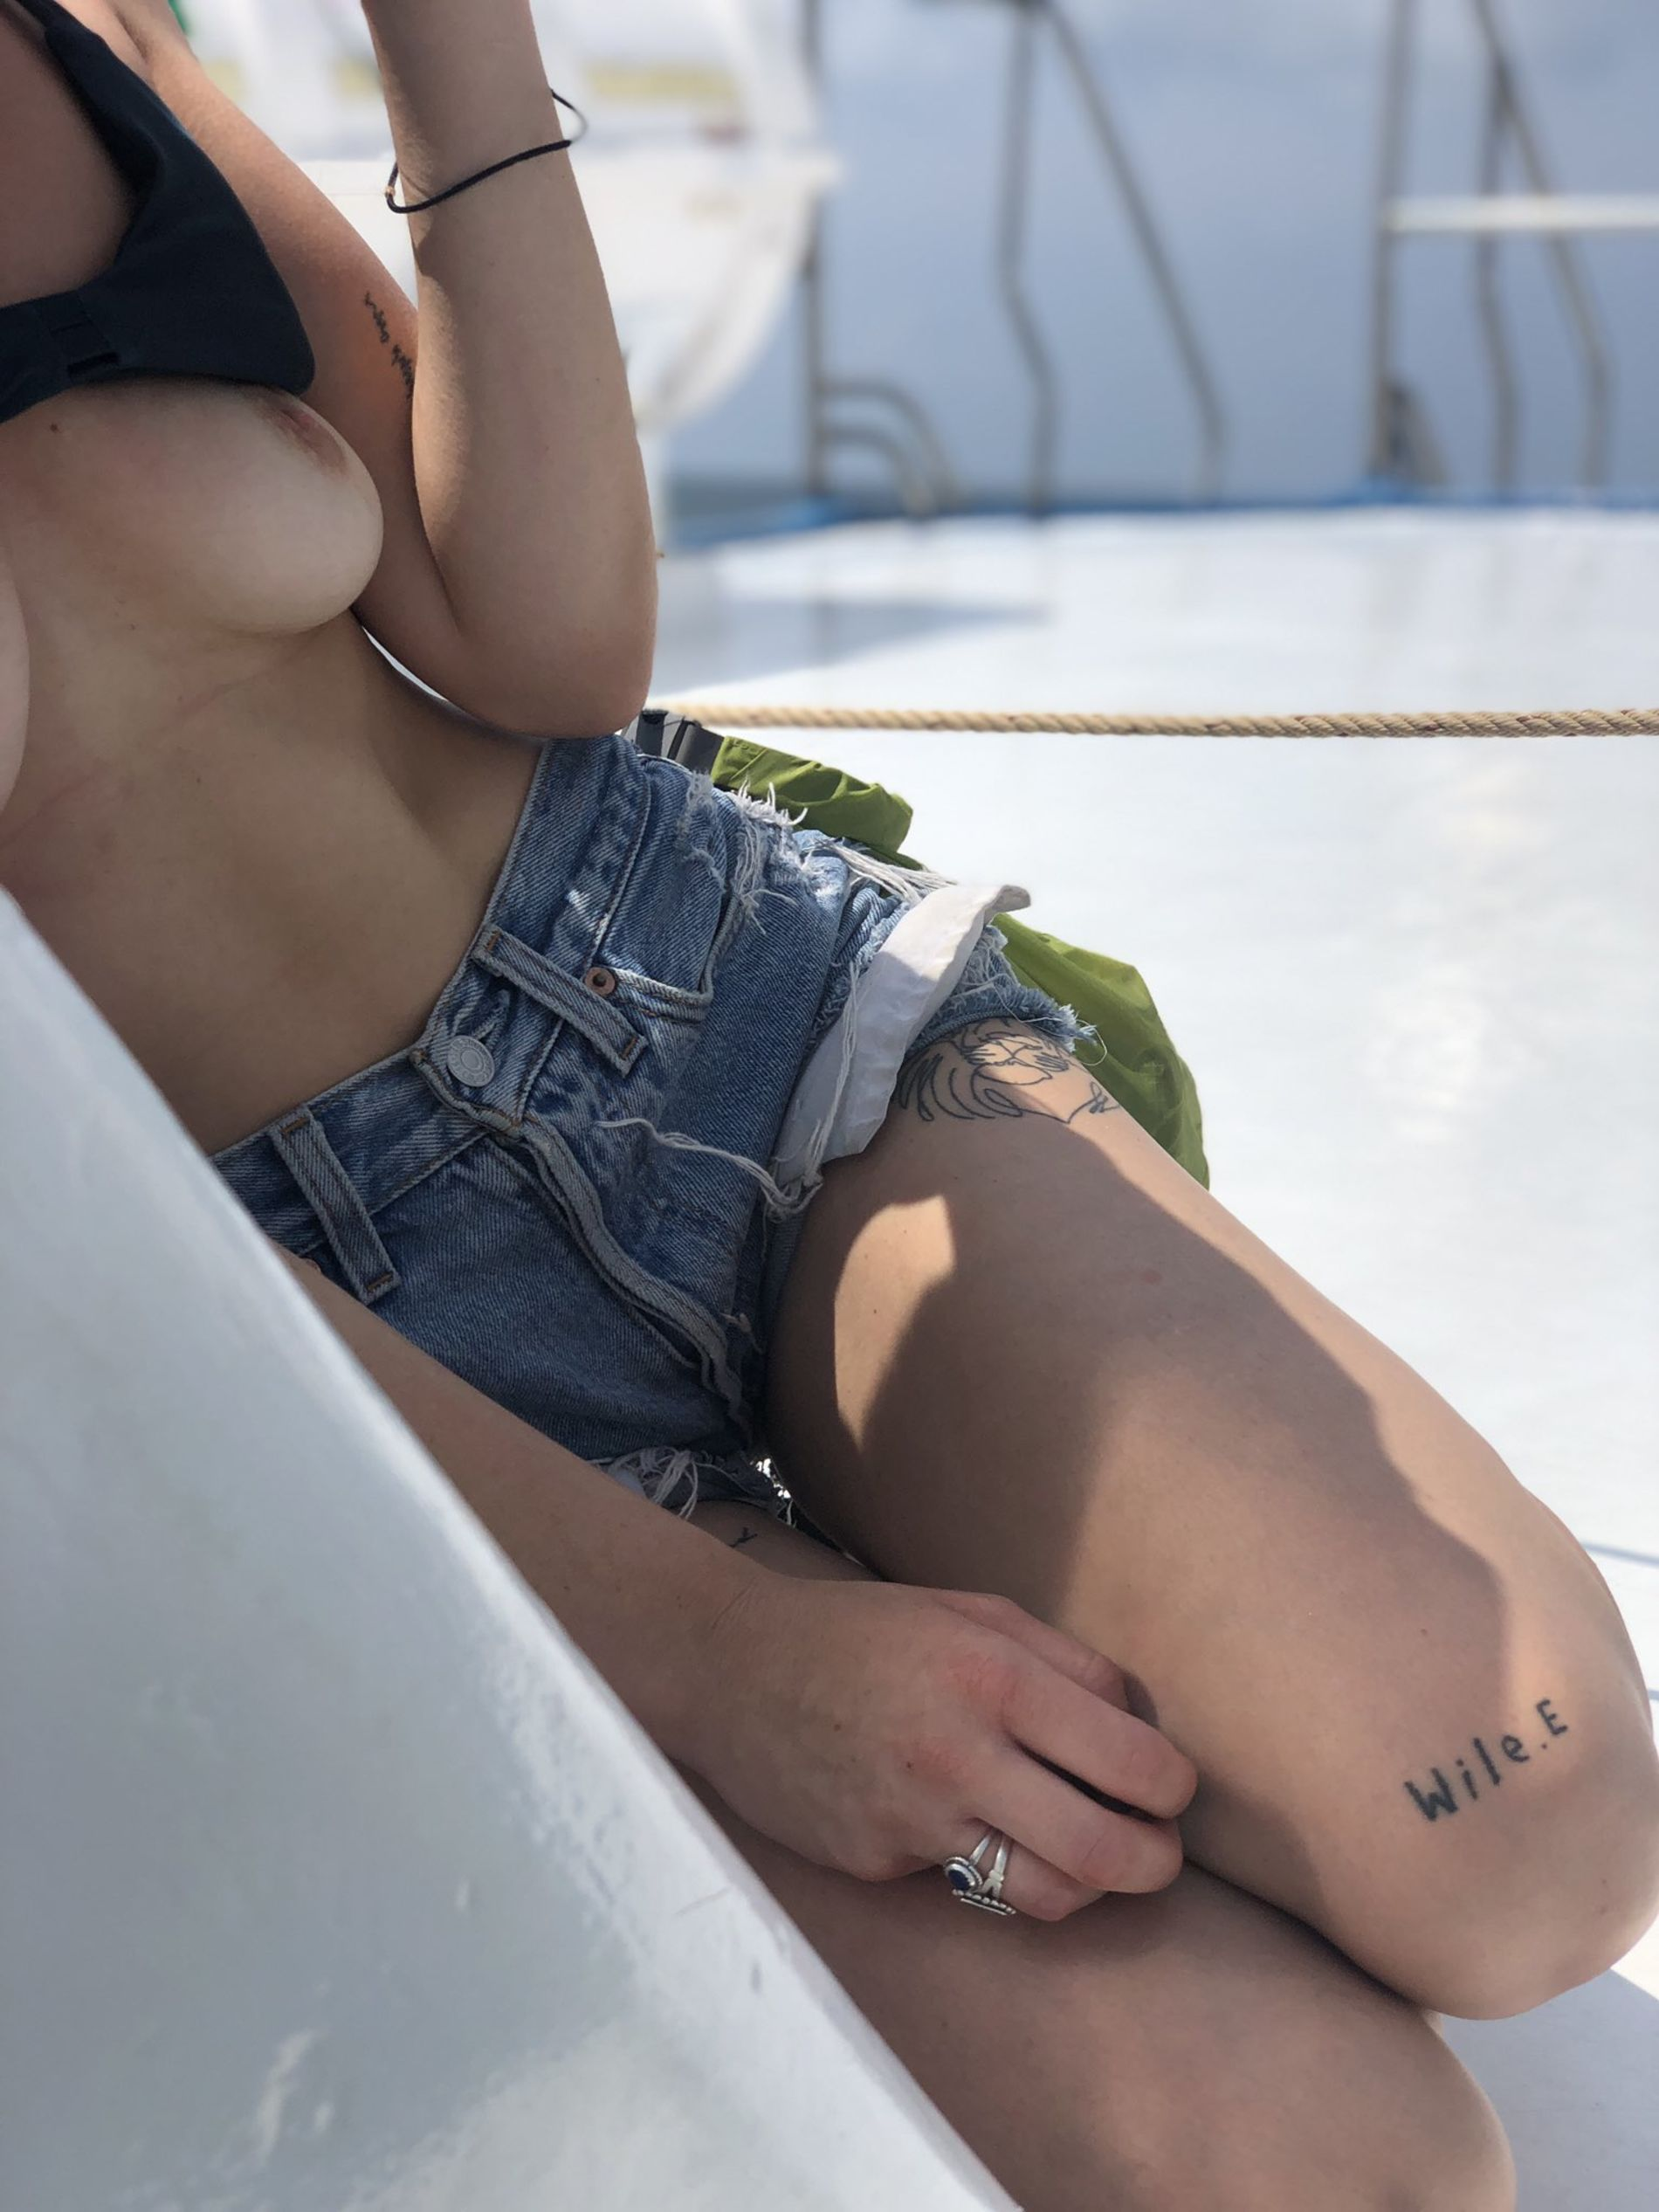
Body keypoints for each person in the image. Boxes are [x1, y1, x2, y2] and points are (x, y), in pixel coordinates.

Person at [2, 4, 1655, 2204]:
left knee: (1526, 1828)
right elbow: (53, 1222)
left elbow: (542, 639)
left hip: (699, 1000)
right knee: (1333, 2179)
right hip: (310, 1355)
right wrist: (725, 1656)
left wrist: (453, 37)